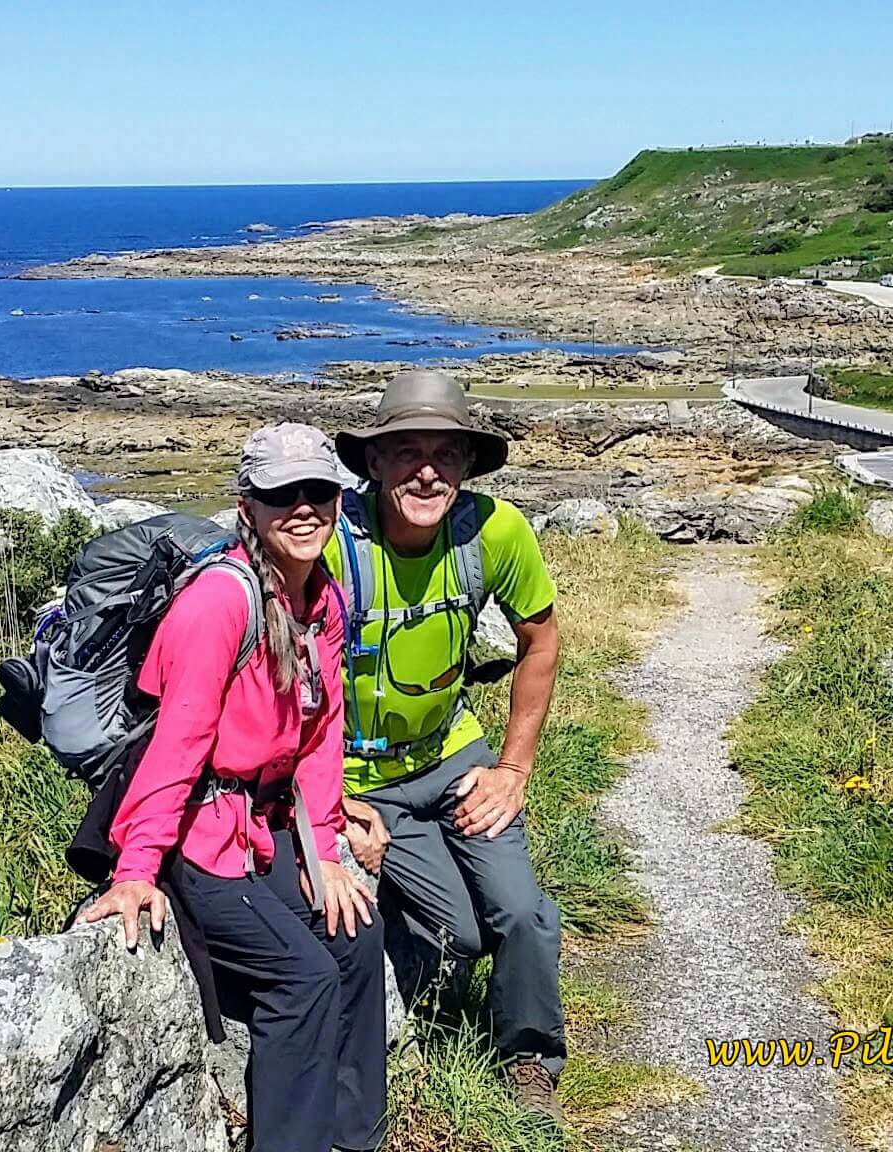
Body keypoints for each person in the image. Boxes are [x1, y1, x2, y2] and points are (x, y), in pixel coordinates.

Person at [78, 423, 386, 1152]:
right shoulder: (218, 604)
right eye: (283, 494)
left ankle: (354, 1136)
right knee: (303, 978)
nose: (304, 508)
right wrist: (134, 873)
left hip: (263, 826)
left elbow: (319, 733)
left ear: (338, 499)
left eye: (319, 490)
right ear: (247, 506)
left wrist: (327, 852)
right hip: (197, 839)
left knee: (357, 932)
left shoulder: (324, 603)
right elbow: (176, 749)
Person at [324, 368, 569, 1118]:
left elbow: (542, 639)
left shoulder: (493, 531)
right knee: (455, 931)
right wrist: (327, 802)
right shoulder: (333, 541)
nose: (427, 470)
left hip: (455, 755)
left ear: (467, 466)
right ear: (372, 463)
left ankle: (529, 1058)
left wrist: (513, 769)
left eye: (446, 454)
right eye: (405, 452)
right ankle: (418, 991)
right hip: (361, 780)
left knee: (522, 913)